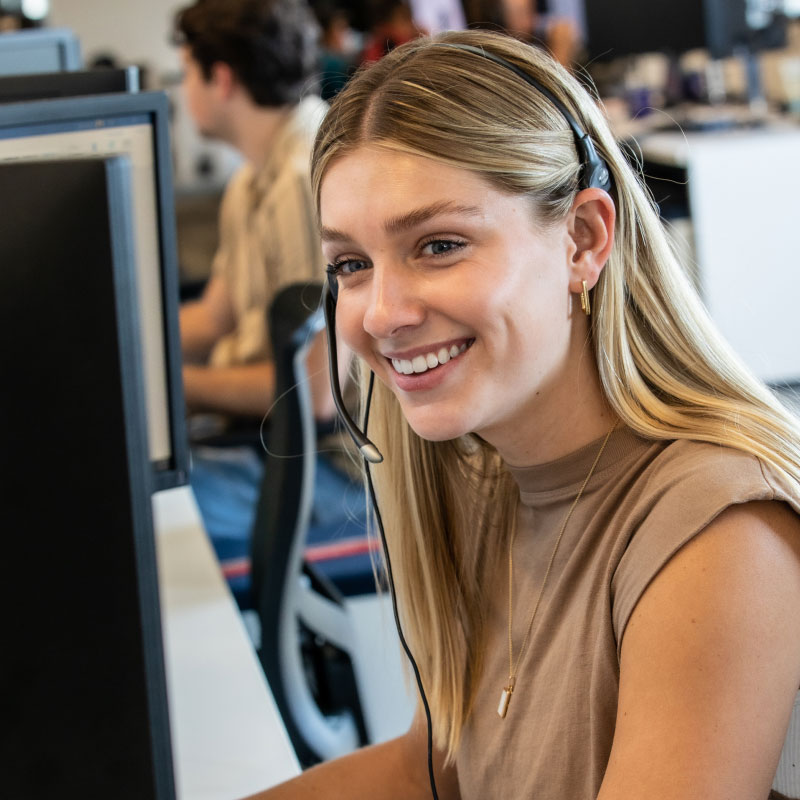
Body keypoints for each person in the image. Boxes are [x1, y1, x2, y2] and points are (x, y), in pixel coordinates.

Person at [245, 28, 800, 800]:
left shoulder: (717, 531)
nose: (382, 313)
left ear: (582, 239)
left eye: (438, 245)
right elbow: (433, 772)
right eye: (352, 264)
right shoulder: (484, 474)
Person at [173, 0, 349, 579]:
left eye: (185, 74)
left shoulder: (304, 178)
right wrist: (114, 350)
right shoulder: (252, 178)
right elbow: (213, 317)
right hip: (266, 438)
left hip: (324, 468)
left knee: (143, 513)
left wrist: (183, 389)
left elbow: (320, 391)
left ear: (220, 78)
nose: (182, 91)